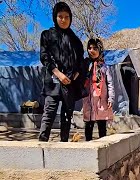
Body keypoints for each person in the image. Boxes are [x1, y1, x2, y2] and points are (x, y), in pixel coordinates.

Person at [38, 2, 85, 142]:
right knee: (49, 112)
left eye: (66, 16)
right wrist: (58, 73)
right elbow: (44, 57)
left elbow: (80, 61)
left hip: (69, 83)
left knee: (67, 115)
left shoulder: (76, 41)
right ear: (55, 17)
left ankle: (64, 145)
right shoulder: (47, 35)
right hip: (53, 81)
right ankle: (42, 144)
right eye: (60, 16)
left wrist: (75, 74)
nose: (63, 20)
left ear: (70, 18)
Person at [82, 38, 114, 141]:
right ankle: (87, 148)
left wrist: (111, 98)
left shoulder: (104, 67)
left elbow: (110, 83)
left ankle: (103, 150)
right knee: (88, 125)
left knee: (102, 126)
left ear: (100, 50)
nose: (91, 50)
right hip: (89, 100)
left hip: (101, 101)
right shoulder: (85, 66)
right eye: (89, 48)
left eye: (95, 48)